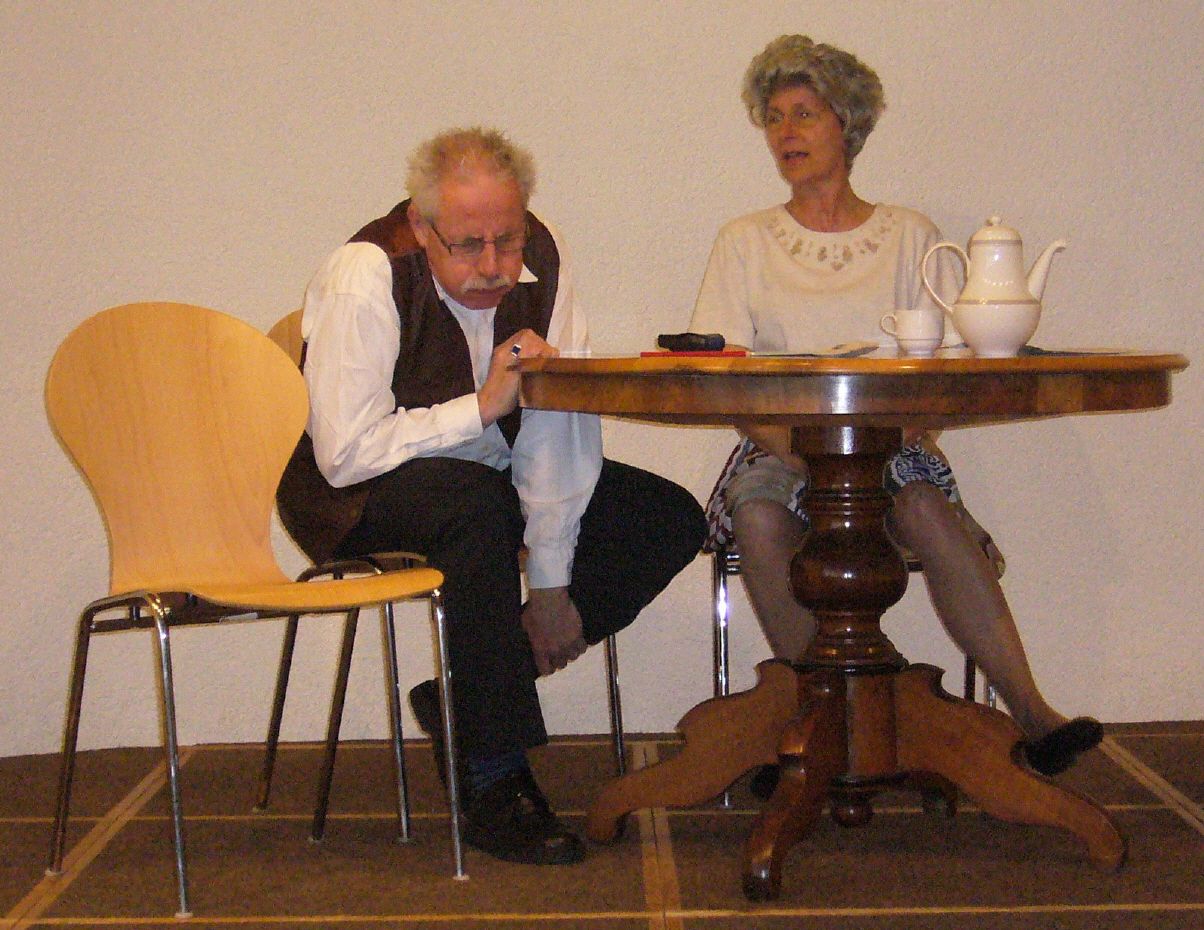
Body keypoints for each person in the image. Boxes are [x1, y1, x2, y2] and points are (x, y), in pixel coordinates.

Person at [277, 127, 706, 865]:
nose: (494, 266)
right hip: (355, 497)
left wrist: (553, 587)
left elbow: (556, 424)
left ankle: (466, 699)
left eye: (507, 240)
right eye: (468, 244)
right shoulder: (366, 273)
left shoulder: (545, 257)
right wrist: (478, 408)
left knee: (662, 517)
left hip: (484, 477)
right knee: (475, 510)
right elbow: (343, 454)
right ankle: (494, 777)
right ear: (421, 226)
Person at [687, 35, 1102, 793]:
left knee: (923, 505)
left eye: (804, 114)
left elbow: (941, 371)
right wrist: (803, 454)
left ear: (847, 124)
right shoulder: (743, 240)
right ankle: (816, 722)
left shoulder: (912, 235)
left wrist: (880, 444)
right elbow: (723, 378)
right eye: (774, 117)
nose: (786, 133)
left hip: (892, 442)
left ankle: (1035, 716)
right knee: (758, 517)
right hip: (778, 444)